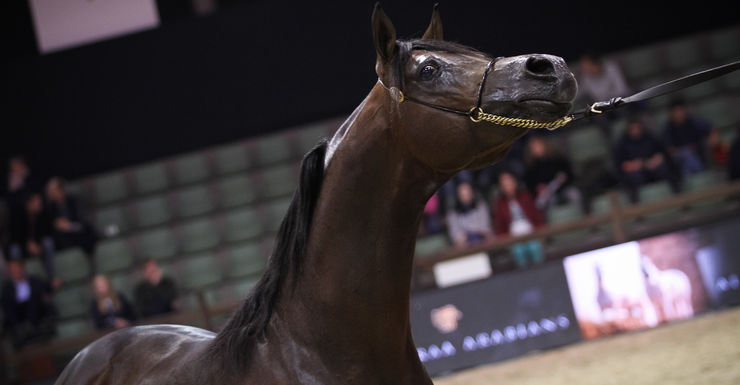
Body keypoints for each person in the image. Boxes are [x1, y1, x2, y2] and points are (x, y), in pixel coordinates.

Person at [614, 119, 681, 203]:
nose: (636, 130)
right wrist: (635, 165)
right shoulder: (622, 144)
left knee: (667, 170)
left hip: (653, 167)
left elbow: (662, 153)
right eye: (633, 128)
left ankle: (679, 197)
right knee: (632, 179)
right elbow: (620, 164)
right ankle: (637, 207)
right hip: (636, 171)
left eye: (637, 128)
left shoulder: (649, 137)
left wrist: (654, 161)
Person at [492, 171, 546, 268]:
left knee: (534, 248)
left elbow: (536, 216)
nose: (508, 187)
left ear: (515, 183)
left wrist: (541, 232)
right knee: (518, 252)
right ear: (501, 187)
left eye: (510, 183)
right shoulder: (500, 204)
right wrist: (505, 241)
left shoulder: (525, 197)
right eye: (505, 184)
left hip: (531, 233)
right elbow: (500, 226)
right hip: (513, 239)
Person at [45, 177, 99, 272]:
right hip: (65, 238)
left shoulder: (74, 200)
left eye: (54, 190)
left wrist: (69, 225)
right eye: (50, 191)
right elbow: (52, 226)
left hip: (80, 231)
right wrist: (60, 226)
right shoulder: (50, 208)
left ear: (61, 189)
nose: (52, 193)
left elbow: (82, 221)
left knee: (87, 233)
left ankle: (91, 261)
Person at [1, 259, 56, 349]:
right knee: (9, 306)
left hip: (37, 313)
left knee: (34, 297)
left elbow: (46, 288)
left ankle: (31, 326)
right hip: (19, 315)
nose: (15, 272)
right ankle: (21, 331)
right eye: (12, 271)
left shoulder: (34, 281)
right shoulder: (7, 288)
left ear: (22, 268)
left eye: (16, 269)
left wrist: (53, 284)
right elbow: (7, 307)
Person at [7, 193, 58, 287]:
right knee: (14, 249)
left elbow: (46, 232)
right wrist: (27, 244)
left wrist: (37, 245)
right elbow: (15, 237)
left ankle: (51, 276)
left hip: (38, 246)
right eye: (36, 201)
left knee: (48, 243)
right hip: (22, 247)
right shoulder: (18, 214)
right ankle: (18, 281)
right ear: (29, 204)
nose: (39, 203)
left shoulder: (42, 213)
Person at [523, 135, 582, 211]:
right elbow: (530, 186)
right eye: (533, 147)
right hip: (547, 193)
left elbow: (569, 173)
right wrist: (538, 188)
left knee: (574, 194)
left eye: (538, 146)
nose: (537, 149)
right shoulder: (531, 168)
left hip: (564, 187)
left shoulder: (557, 159)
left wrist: (564, 178)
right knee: (545, 203)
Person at [662, 98, 714, 176]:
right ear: (671, 113)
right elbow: (670, 150)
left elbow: (711, 130)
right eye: (676, 111)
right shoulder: (668, 128)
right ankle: (699, 176)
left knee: (690, 160)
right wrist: (684, 151)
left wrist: (711, 142)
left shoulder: (693, 122)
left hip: (698, 153)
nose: (679, 113)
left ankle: (694, 179)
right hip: (679, 158)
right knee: (687, 157)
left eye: (681, 110)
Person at [446, 182, 493, 247]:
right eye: (463, 196)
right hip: (465, 249)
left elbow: (485, 229)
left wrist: (468, 233)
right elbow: (457, 237)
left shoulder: (481, 206)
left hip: (483, 243)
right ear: (458, 196)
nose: (466, 199)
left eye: (467, 194)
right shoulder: (453, 214)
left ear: (472, 194)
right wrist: (476, 231)